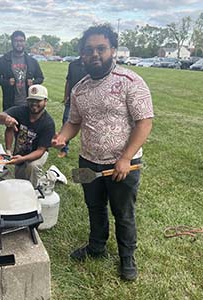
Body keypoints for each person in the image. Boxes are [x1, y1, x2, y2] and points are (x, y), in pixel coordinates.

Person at [52, 24, 153, 281]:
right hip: (87, 160)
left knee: (123, 213)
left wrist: (126, 157)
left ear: (113, 51)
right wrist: (63, 136)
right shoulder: (79, 89)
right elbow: (74, 121)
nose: (95, 54)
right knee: (94, 206)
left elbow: (144, 122)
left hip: (122, 165)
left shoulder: (131, 81)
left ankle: (127, 257)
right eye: (89, 50)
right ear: (82, 55)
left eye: (101, 48)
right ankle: (96, 246)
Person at [0, 84, 55, 187]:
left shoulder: (48, 123)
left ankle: (39, 186)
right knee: (20, 181)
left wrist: (23, 159)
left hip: (38, 152)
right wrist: (6, 119)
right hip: (20, 150)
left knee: (32, 167)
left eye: (38, 100)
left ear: (45, 101)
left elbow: (40, 151)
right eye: (31, 100)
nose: (34, 104)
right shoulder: (20, 111)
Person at [0, 30, 44, 111]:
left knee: (26, 124)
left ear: (25, 42)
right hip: (10, 103)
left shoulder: (32, 61)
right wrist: (6, 82)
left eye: (21, 41)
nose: (19, 43)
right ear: (12, 42)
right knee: (10, 123)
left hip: (28, 103)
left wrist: (33, 82)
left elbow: (40, 77)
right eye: (16, 41)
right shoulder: (4, 60)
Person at [58, 56, 87, 158]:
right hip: (71, 100)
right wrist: (66, 96)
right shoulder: (73, 65)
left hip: (87, 100)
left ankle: (87, 150)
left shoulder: (92, 65)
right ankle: (64, 149)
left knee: (87, 126)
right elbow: (68, 81)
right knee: (66, 122)